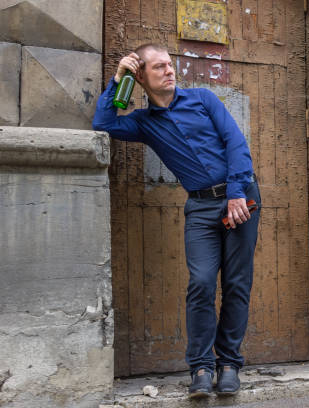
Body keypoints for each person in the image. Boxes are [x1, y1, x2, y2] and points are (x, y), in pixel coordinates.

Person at [92, 43, 260, 398]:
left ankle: (229, 363)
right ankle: (201, 367)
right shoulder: (143, 123)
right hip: (200, 208)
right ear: (142, 76)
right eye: (159, 67)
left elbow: (235, 142)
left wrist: (235, 193)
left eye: (170, 65)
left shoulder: (203, 99)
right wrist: (119, 77)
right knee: (200, 282)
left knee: (236, 283)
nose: (169, 70)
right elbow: (104, 122)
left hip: (240, 196)